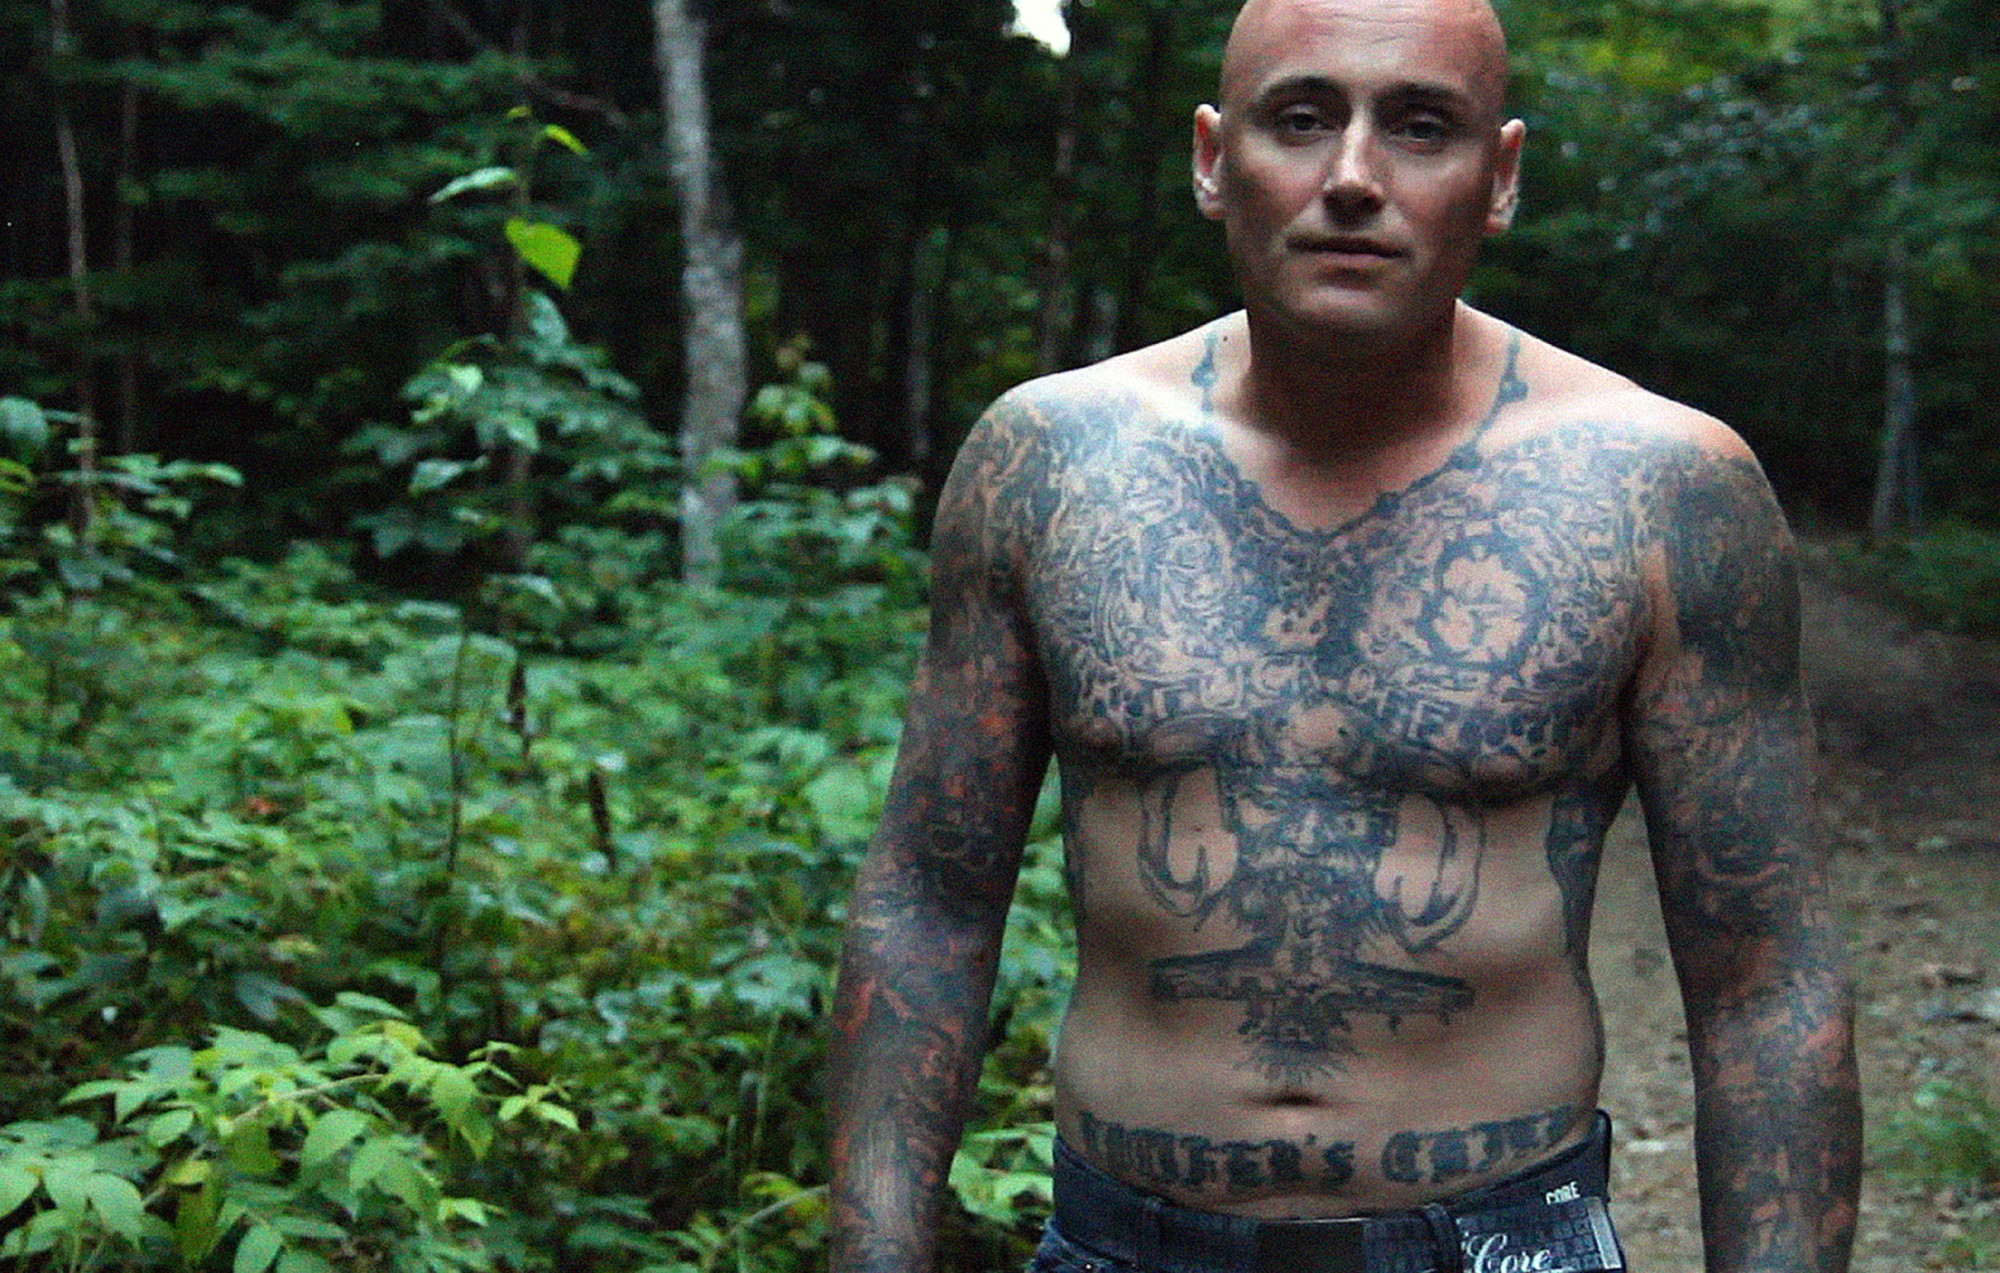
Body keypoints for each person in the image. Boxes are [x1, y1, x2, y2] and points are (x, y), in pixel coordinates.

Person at [826, 0, 1862, 1268]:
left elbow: (1764, 977)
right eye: (1301, 118)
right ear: (1214, 159)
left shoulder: (1658, 487)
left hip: (1495, 1240)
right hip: (1122, 1242)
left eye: (1420, 126)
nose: (1354, 177)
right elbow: (928, 905)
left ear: (1498, 177)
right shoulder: (1048, 462)